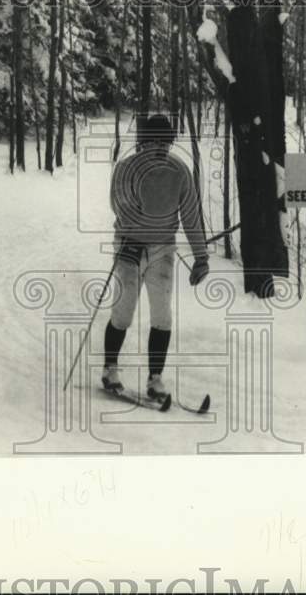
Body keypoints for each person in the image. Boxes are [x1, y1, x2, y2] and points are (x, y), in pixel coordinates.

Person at [101, 114, 209, 400]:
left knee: (162, 315)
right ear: (142, 142)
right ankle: (110, 369)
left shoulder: (179, 171)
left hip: (162, 250)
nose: (159, 147)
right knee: (123, 311)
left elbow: (191, 215)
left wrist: (201, 257)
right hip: (129, 249)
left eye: (165, 142)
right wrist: (131, 236)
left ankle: (155, 379)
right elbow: (119, 203)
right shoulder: (126, 168)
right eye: (153, 141)